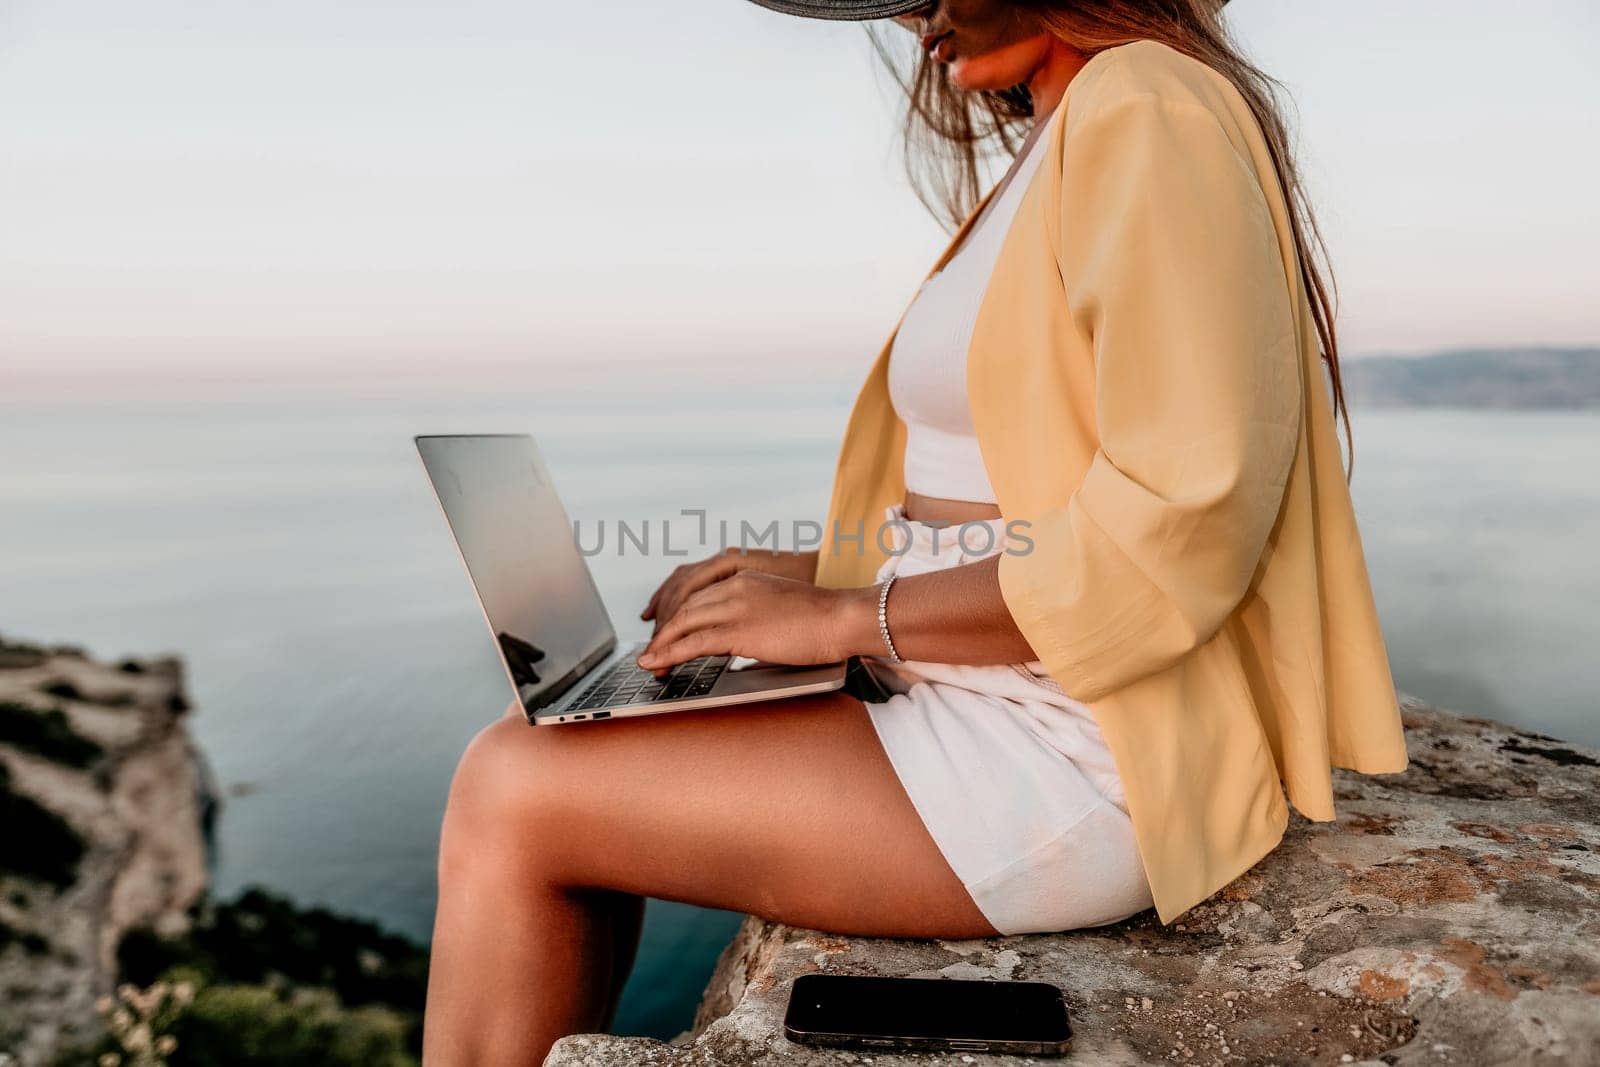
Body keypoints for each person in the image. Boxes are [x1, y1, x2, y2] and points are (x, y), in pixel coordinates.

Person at [422, 2, 1410, 1062]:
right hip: (970, 687)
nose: (915, 19)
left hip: (1069, 747)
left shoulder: (1149, 104)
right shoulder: (1070, 130)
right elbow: (1022, 495)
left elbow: (1177, 520)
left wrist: (850, 614)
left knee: (510, 787)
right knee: (558, 747)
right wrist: (806, 577)